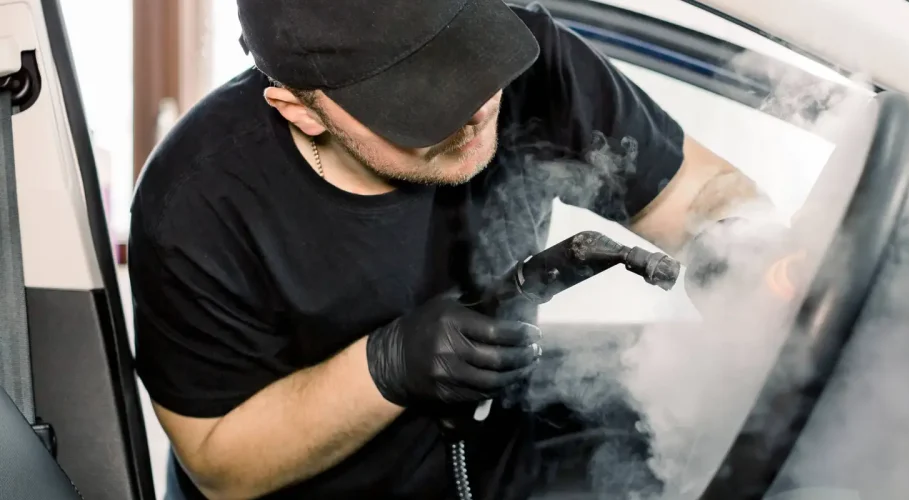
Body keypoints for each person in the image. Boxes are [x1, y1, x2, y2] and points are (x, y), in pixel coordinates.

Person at [128, 0, 772, 498]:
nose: (475, 107)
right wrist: (385, 366)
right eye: (419, 95)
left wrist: (736, 256)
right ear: (301, 110)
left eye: (472, 56)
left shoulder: (537, 67)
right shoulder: (197, 203)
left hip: (496, 468)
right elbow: (219, 463)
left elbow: (701, 192)